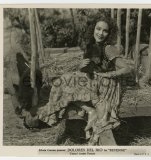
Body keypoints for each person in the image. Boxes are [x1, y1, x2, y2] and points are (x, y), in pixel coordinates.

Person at [24, 17, 135, 145]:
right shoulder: (91, 46)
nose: (100, 33)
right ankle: (90, 111)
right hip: (94, 79)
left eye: (105, 31)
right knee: (63, 81)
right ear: (93, 29)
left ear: (109, 34)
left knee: (66, 82)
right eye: (98, 29)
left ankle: (92, 113)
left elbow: (127, 68)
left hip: (106, 83)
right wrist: (81, 66)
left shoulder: (108, 48)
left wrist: (110, 74)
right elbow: (88, 68)